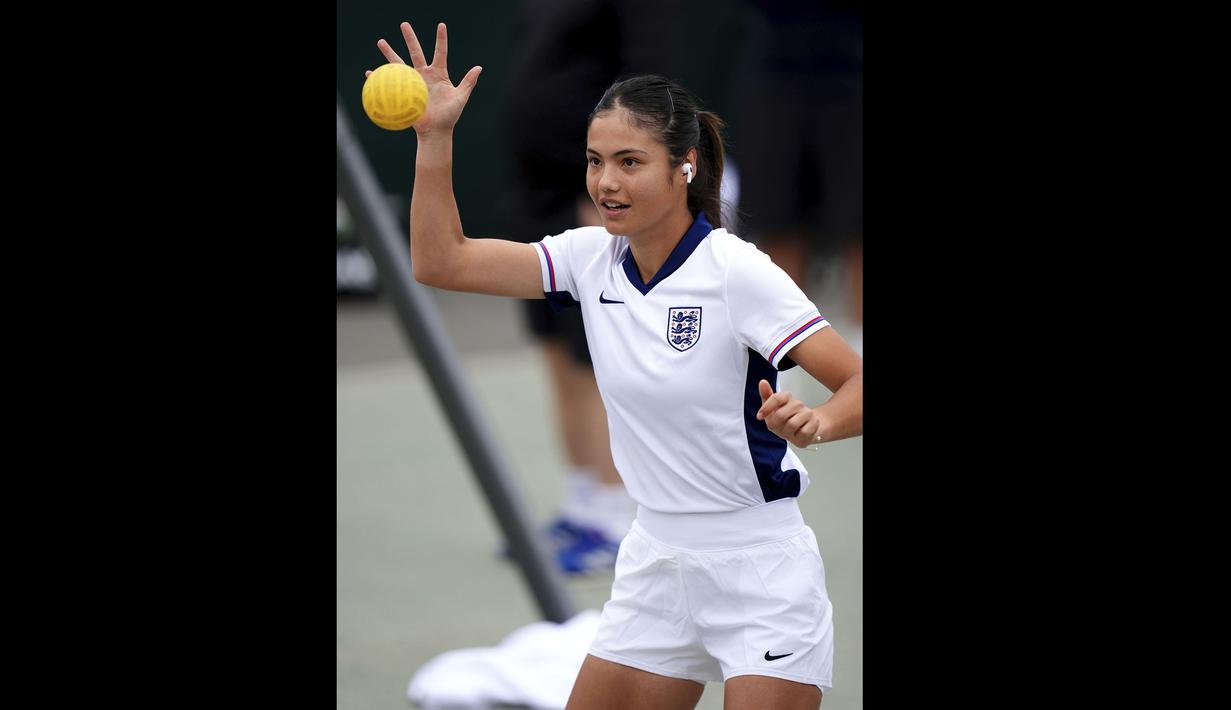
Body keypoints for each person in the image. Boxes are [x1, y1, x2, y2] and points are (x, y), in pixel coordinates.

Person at [367, 21, 862, 708]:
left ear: (683, 164)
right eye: (596, 161)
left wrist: (817, 420)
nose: (606, 181)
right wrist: (434, 138)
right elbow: (440, 261)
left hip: (760, 573)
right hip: (653, 565)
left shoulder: (735, 272)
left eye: (629, 161)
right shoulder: (586, 256)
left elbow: (856, 382)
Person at [500, 0, 683, 574]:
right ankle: (581, 505)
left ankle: (612, 518)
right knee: (557, 353)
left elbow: (650, 81)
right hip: (537, 188)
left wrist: (611, 183)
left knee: (594, 359)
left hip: (591, 195)